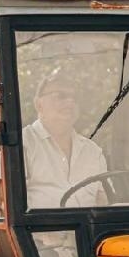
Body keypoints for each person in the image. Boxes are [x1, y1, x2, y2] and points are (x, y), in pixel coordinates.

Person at [20, 76, 108, 208]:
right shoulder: (20, 144)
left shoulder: (93, 151)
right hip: (40, 228)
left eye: (75, 98)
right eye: (61, 95)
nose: (70, 102)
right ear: (39, 104)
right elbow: (6, 202)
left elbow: (103, 201)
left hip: (90, 228)